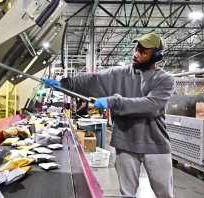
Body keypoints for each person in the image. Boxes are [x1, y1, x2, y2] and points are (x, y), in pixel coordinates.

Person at [42, 32, 175, 198]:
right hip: (125, 143)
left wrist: (114, 101)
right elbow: (91, 80)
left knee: (165, 194)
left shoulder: (165, 79)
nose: (136, 54)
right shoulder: (118, 74)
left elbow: (151, 105)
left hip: (155, 144)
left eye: (143, 52)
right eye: (136, 49)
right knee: (127, 194)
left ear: (156, 56)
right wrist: (63, 84)